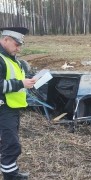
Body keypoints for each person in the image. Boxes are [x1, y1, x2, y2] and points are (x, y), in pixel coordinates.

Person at [0, 27, 36, 180]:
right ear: (5, 39)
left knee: (9, 143)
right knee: (12, 144)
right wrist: (21, 83)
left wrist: (29, 81)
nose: (19, 48)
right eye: (17, 44)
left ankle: (10, 173)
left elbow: (16, 78)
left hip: (12, 107)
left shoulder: (11, 58)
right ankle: (10, 177)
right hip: (4, 108)